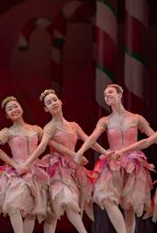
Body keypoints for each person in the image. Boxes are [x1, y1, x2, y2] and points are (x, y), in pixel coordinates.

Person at [17, 89, 105, 233]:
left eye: (54, 100)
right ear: (46, 109)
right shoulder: (50, 127)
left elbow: (90, 141)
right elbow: (42, 146)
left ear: (60, 101)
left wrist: (106, 153)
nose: (53, 103)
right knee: (67, 201)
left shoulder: (73, 125)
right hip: (56, 169)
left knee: (53, 214)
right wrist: (27, 163)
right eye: (49, 103)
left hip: (73, 169)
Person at [74, 84, 155, 233]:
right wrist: (80, 151)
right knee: (106, 197)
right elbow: (92, 137)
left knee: (129, 207)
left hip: (133, 163)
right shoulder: (105, 120)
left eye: (110, 92)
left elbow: (153, 137)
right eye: (105, 95)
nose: (107, 96)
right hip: (113, 164)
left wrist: (126, 150)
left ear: (120, 94)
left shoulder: (136, 118)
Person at [0, 96, 49, 233]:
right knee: (13, 205)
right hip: (16, 172)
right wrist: (14, 164)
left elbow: (47, 144)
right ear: (7, 115)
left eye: (15, 106)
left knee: (32, 209)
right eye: (10, 109)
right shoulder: (8, 132)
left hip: (35, 171)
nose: (14, 110)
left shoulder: (36, 129)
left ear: (21, 108)